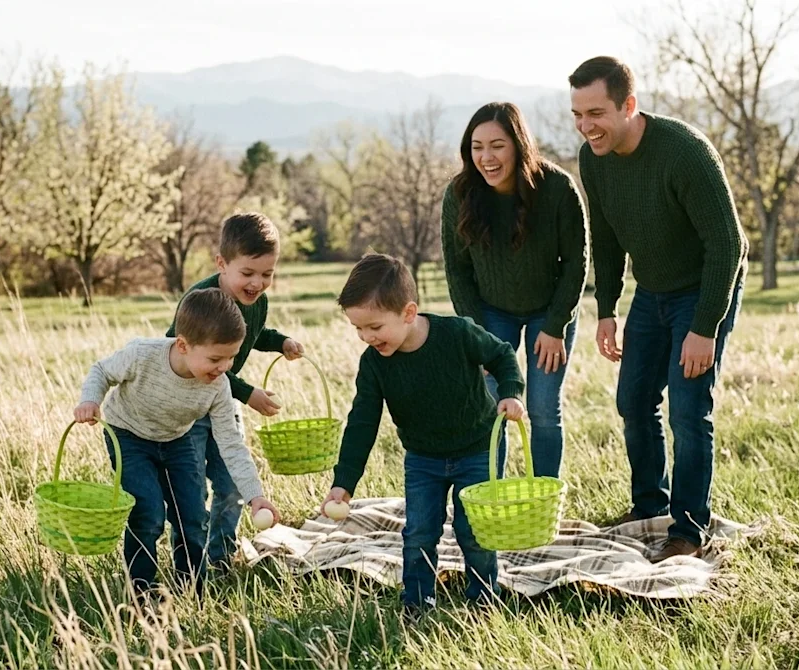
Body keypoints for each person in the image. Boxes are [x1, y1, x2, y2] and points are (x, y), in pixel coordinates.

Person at [569, 56, 748, 562]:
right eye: (578, 114)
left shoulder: (685, 153)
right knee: (633, 400)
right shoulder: (592, 157)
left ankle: (689, 528)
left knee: (689, 411)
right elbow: (604, 240)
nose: (587, 127)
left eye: (597, 113)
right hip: (651, 289)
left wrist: (704, 327)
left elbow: (727, 244)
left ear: (629, 105)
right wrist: (606, 309)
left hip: (705, 285)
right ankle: (650, 505)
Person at [318, 253, 525, 612]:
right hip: (423, 459)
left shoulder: (457, 334)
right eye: (358, 329)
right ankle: (417, 602)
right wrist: (344, 483)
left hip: (478, 449)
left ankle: (484, 598)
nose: (367, 337)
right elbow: (362, 424)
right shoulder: (374, 365)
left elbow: (502, 355)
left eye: (375, 327)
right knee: (418, 533)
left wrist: (509, 392)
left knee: (474, 531)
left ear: (408, 313)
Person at [74, 288, 280, 596]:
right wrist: (91, 400)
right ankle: (142, 593)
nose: (224, 367)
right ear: (183, 345)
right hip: (129, 437)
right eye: (215, 358)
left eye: (231, 358)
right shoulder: (143, 354)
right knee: (148, 513)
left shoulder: (219, 387)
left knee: (193, 516)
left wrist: (255, 496)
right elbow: (102, 370)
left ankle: (192, 591)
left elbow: (232, 445)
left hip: (176, 441)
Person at [441, 101, 589, 479]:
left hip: (549, 310)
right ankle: (496, 497)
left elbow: (576, 261)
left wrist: (556, 325)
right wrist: (477, 334)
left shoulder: (557, 188)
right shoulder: (458, 195)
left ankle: (543, 498)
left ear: (519, 145)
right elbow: (458, 272)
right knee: (493, 407)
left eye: (497, 145)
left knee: (541, 408)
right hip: (490, 312)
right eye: (477, 147)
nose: (486, 157)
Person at [165, 212, 304, 572]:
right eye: (248, 273)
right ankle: (189, 563)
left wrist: (280, 342)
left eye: (267, 274)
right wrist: (249, 394)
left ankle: (221, 555)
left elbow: (251, 333)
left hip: (222, 403)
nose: (258, 283)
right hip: (188, 406)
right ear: (222, 264)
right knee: (191, 488)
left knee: (231, 483)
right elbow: (182, 356)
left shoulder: (256, 301)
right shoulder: (199, 301)